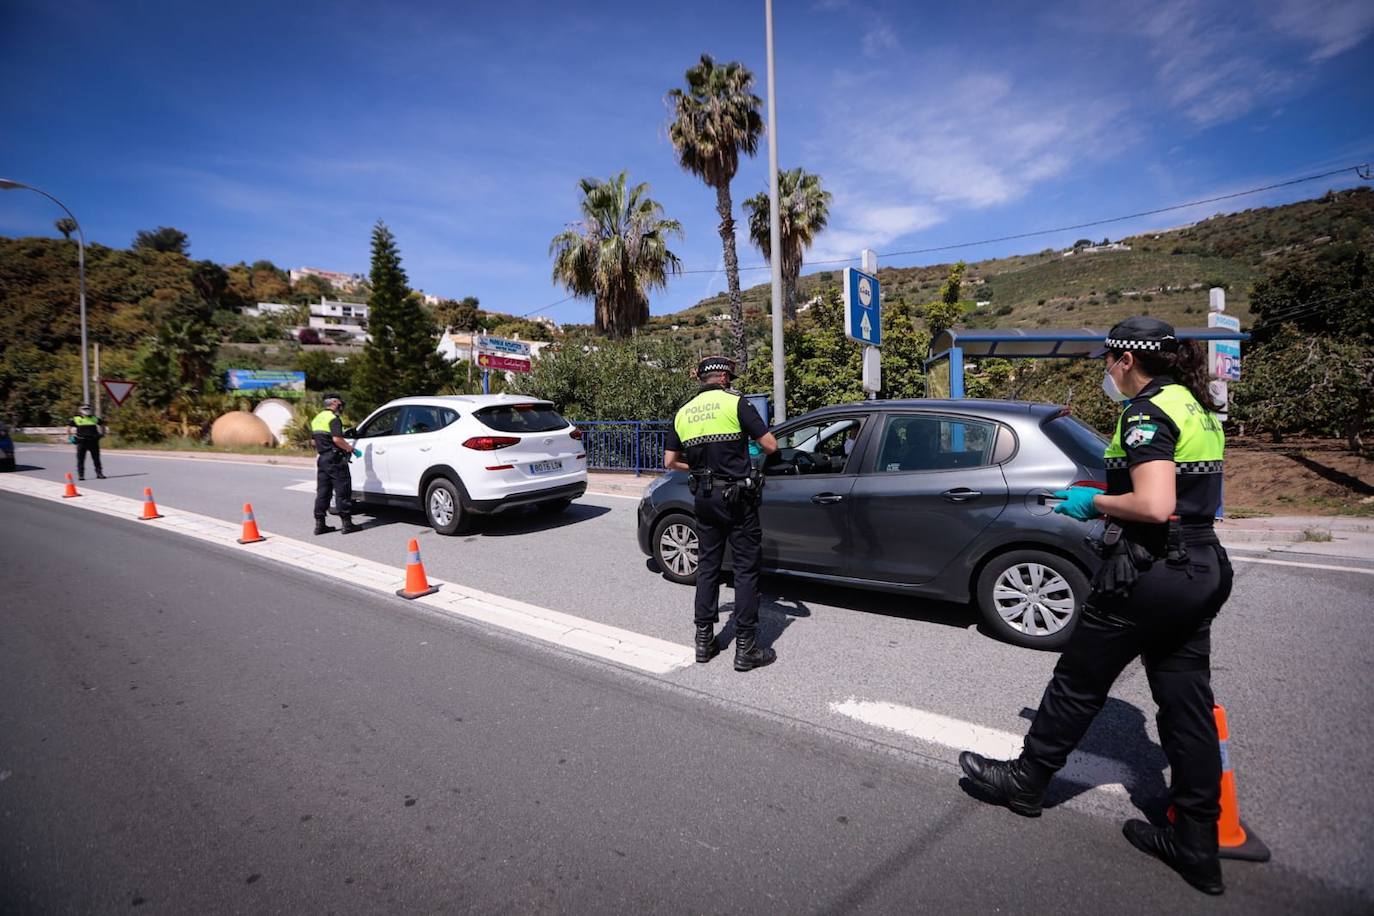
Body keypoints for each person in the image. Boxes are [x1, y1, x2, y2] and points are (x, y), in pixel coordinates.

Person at [958, 317, 1233, 896]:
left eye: (1108, 359)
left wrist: (1093, 503)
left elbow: (1155, 504)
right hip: (1201, 564)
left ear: (1126, 360)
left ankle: (1027, 783)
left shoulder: (1147, 411)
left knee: (1077, 682)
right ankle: (1198, 842)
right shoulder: (1195, 405)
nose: (1107, 370)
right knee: (1185, 701)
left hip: (1152, 568)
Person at [664, 356, 779, 671]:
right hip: (737, 497)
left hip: (703, 496)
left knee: (708, 567)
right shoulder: (735, 402)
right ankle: (746, 648)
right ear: (725, 377)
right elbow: (770, 444)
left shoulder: (684, 412)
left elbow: (669, 461)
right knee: (744, 569)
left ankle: (704, 642)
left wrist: (701, 472)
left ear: (702, 379)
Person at [310, 394, 362, 535]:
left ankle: (320, 525)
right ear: (333, 403)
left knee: (323, 492)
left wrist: (324, 448)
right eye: (339, 402)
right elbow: (337, 439)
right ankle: (347, 524)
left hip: (322, 459)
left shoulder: (317, 419)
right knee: (342, 491)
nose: (341, 405)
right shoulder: (333, 419)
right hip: (335, 459)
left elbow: (313, 442)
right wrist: (350, 449)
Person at [67, 404, 106, 480]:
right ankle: (81, 475)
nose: (87, 410)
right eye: (85, 409)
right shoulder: (76, 419)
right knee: (80, 459)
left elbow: (102, 424)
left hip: (93, 441)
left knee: (96, 459)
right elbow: (68, 428)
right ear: (81, 410)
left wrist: (102, 434)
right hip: (81, 441)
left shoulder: (94, 418)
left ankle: (99, 473)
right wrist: (70, 437)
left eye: (88, 409)